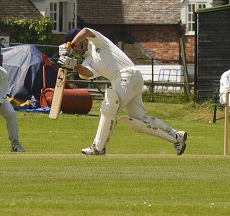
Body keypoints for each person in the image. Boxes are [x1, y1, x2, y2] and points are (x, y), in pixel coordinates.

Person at [58, 28, 186, 155]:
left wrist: (71, 45)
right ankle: (176, 136)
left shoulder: (96, 41)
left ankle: (98, 148)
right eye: (73, 49)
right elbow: (87, 73)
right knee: (139, 121)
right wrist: (75, 65)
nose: (75, 50)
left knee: (109, 107)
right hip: (127, 80)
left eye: (76, 46)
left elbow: (85, 30)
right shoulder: (87, 61)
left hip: (127, 74)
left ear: (83, 41)